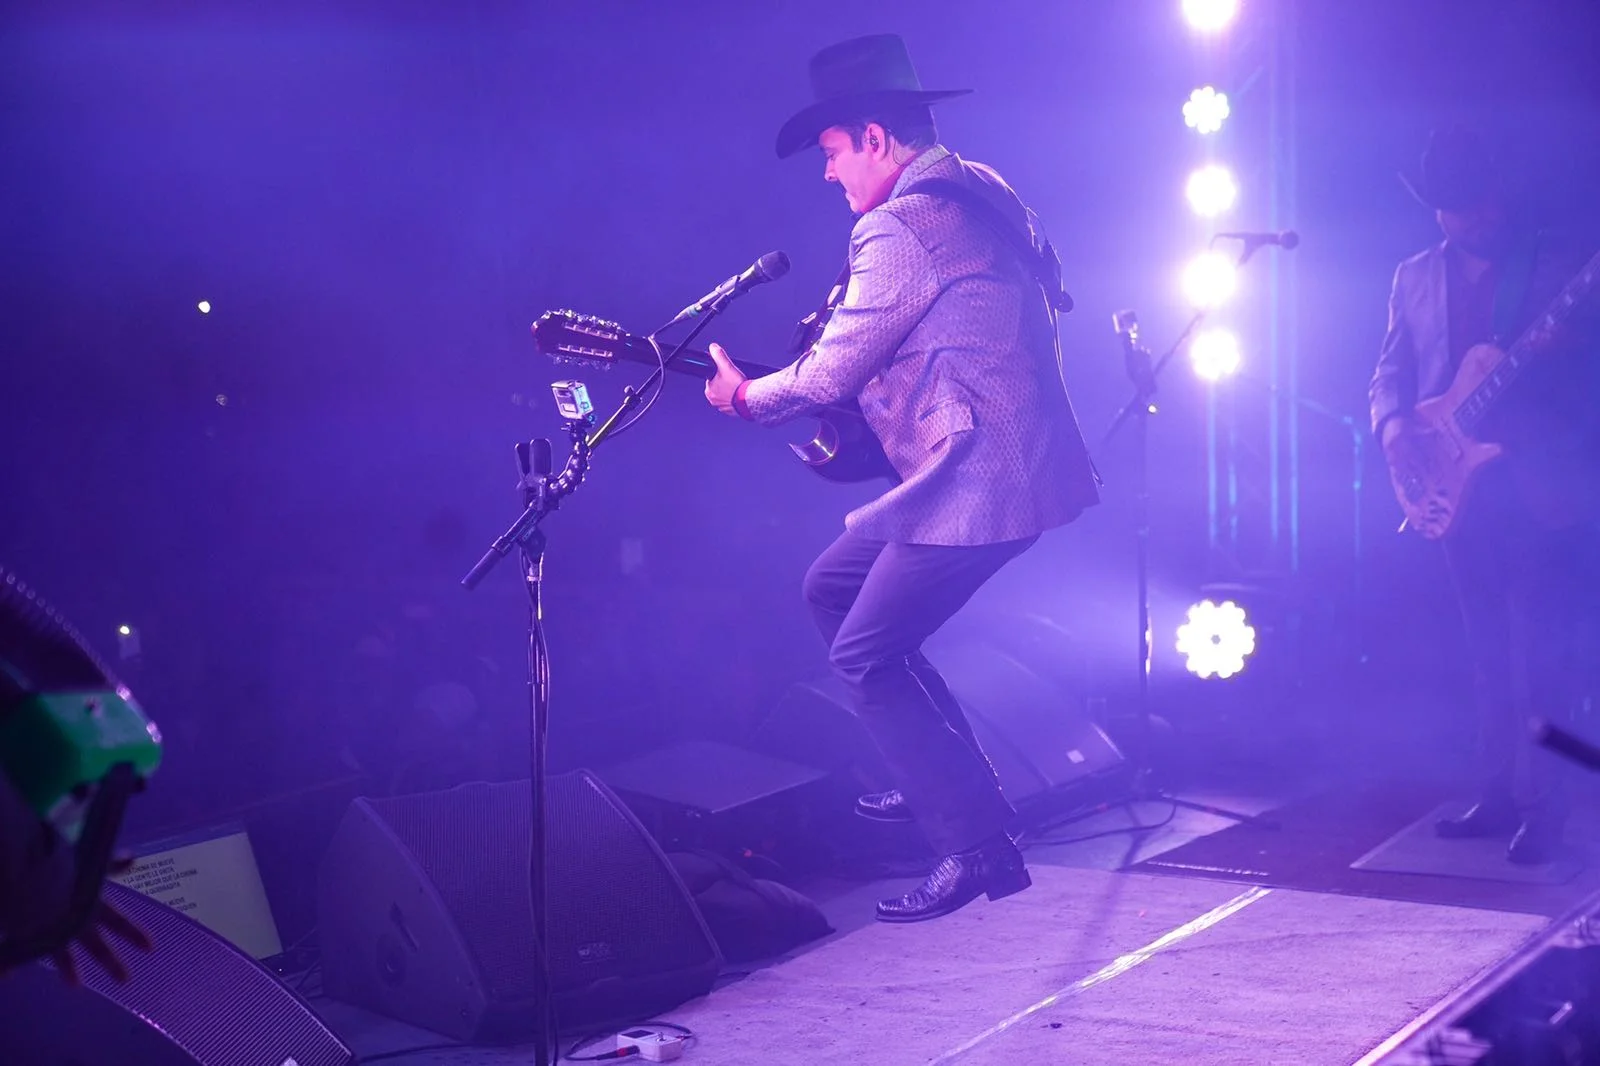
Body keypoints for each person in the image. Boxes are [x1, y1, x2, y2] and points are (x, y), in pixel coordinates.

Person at [703, 34, 1099, 922]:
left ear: (875, 139)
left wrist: (745, 397)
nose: (828, 173)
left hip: (978, 480)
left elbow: (829, 374)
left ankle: (974, 844)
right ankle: (935, 773)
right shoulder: (981, 186)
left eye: (833, 151)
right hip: (1022, 462)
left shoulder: (896, 226)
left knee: (863, 653)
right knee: (830, 589)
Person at [1370, 125, 1600, 864]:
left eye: (1481, 202)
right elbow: (1390, 373)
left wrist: (1567, 355)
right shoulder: (1411, 276)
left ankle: (1548, 810)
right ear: (1436, 208)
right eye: (1457, 207)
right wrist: (1394, 429)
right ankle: (1496, 794)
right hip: (1455, 486)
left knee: (1546, 655)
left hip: (1539, 485)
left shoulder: (1554, 263)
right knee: (1485, 653)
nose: (1474, 218)